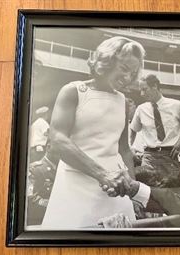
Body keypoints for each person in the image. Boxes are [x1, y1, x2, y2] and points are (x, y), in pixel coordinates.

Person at [41, 36, 146, 229]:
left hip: (116, 188)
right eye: (124, 68)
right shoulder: (72, 91)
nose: (128, 77)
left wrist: (132, 189)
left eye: (132, 73)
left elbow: (124, 149)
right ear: (106, 61)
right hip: (76, 185)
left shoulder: (123, 101)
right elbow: (57, 140)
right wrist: (103, 175)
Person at [130, 74, 180, 188]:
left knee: (171, 195)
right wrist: (130, 148)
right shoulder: (141, 109)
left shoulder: (176, 105)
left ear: (155, 86)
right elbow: (133, 130)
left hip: (170, 157)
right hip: (149, 157)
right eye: (141, 91)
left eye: (145, 89)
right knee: (147, 193)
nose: (142, 94)